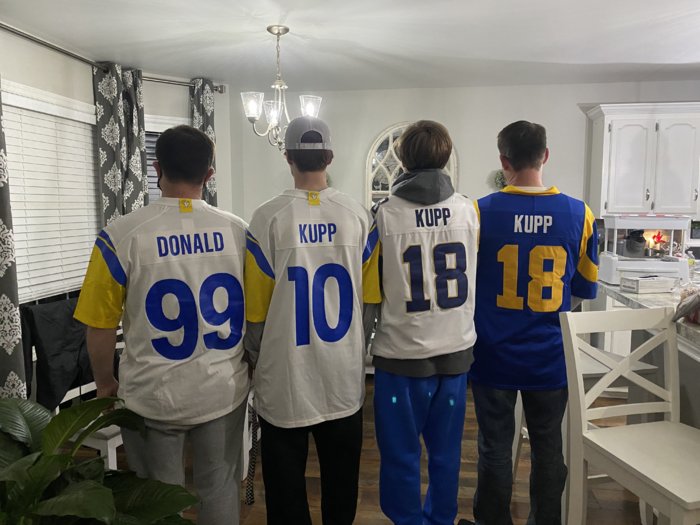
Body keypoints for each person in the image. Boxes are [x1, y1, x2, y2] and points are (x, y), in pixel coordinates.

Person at [74, 125, 249, 525]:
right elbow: (255, 310)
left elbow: (100, 325)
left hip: (152, 393)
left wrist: (105, 382)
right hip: (222, 387)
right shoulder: (238, 231)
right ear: (209, 174)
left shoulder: (119, 235)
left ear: (156, 168)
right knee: (220, 487)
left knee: (157, 502)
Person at [243, 116, 380, 525]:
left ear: (287, 157)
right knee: (342, 484)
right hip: (342, 374)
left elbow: (256, 310)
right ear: (330, 157)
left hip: (285, 374)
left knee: (285, 491)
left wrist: (256, 360)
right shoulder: (358, 215)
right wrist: (358, 348)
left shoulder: (266, 217)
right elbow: (370, 302)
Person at [463, 120, 599, 525]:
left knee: (494, 447)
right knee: (548, 448)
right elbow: (581, 291)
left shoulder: (479, 212)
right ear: (545, 155)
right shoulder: (580, 213)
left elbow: (466, 284)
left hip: (492, 353)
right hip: (550, 355)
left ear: (503, 161)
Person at [369, 120, 480, 525]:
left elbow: (373, 287)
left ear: (402, 160)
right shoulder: (469, 210)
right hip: (454, 352)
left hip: (401, 356)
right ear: (445, 158)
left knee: (401, 455)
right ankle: (441, 519)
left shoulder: (384, 214)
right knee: (446, 454)